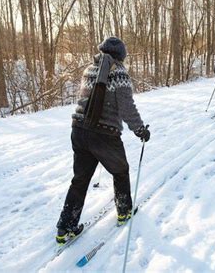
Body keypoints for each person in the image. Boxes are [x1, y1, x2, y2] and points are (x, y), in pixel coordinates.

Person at [56, 36, 150, 244]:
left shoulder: (89, 69)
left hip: (79, 130)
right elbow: (127, 108)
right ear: (121, 56)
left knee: (79, 180)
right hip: (104, 135)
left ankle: (65, 226)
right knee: (120, 171)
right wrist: (140, 129)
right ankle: (124, 211)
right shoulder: (119, 73)